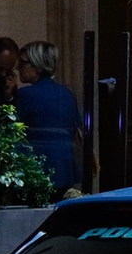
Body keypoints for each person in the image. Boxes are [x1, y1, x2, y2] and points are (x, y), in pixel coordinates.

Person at [12, 40, 81, 190]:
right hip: (64, 170)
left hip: (36, 172)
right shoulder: (66, 92)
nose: (17, 67)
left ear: (38, 67)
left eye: (23, 62)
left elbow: (9, 133)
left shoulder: (25, 95)